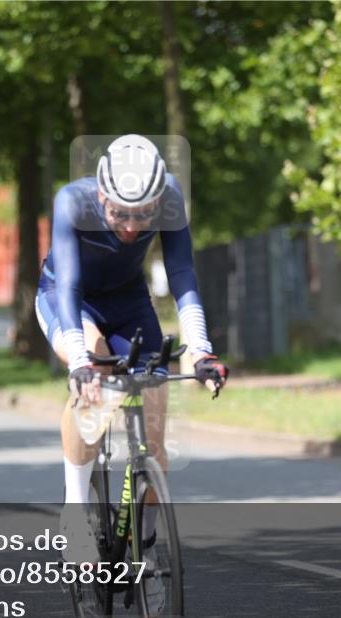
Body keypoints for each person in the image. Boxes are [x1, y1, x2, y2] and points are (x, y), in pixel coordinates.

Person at [35, 135, 229, 592]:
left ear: (159, 201)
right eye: (120, 213)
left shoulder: (172, 198)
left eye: (142, 216)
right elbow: (70, 286)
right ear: (102, 195)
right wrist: (82, 360)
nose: (129, 228)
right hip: (68, 299)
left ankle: (146, 544)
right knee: (96, 377)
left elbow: (183, 276)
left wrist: (202, 351)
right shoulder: (72, 202)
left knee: (156, 420)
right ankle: (75, 513)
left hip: (129, 301)